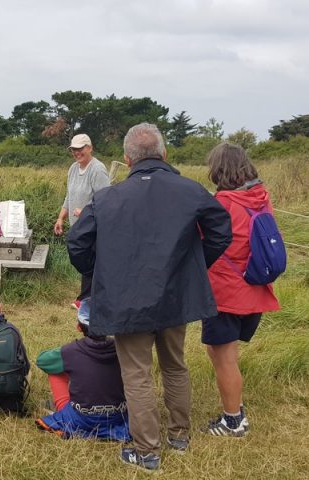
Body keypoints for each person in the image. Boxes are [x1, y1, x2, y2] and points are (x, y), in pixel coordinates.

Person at [67, 123, 232, 471]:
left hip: (127, 300)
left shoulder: (108, 197)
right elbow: (221, 229)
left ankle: (147, 451)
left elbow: (77, 242)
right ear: (164, 154)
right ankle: (179, 435)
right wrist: (194, 266)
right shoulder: (191, 191)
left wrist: (99, 275)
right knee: (175, 364)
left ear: (127, 159)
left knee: (137, 373)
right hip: (175, 296)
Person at [203, 143, 281, 436]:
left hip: (226, 292)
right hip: (256, 289)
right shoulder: (261, 197)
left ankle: (233, 421)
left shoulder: (222, 203)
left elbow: (201, 238)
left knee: (223, 358)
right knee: (226, 353)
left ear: (219, 169)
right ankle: (235, 406)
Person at [34, 298, 131, 442]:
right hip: (118, 417)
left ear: (79, 327)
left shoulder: (70, 351)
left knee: (56, 370)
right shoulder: (123, 349)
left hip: (82, 419)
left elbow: (42, 361)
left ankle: (62, 408)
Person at [53, 133, 110, 309]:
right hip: (78, 226)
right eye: (74, 150)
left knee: (89, 261)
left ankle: (85, 299)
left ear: (90, 148)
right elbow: (69, 196)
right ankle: (89, 298)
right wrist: (61, 217)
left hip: (94, 225)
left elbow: (105, 200)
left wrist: (85, 211)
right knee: (83, 259)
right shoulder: (73, 168)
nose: (77, 153)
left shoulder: (97, 169)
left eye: (80, 149)